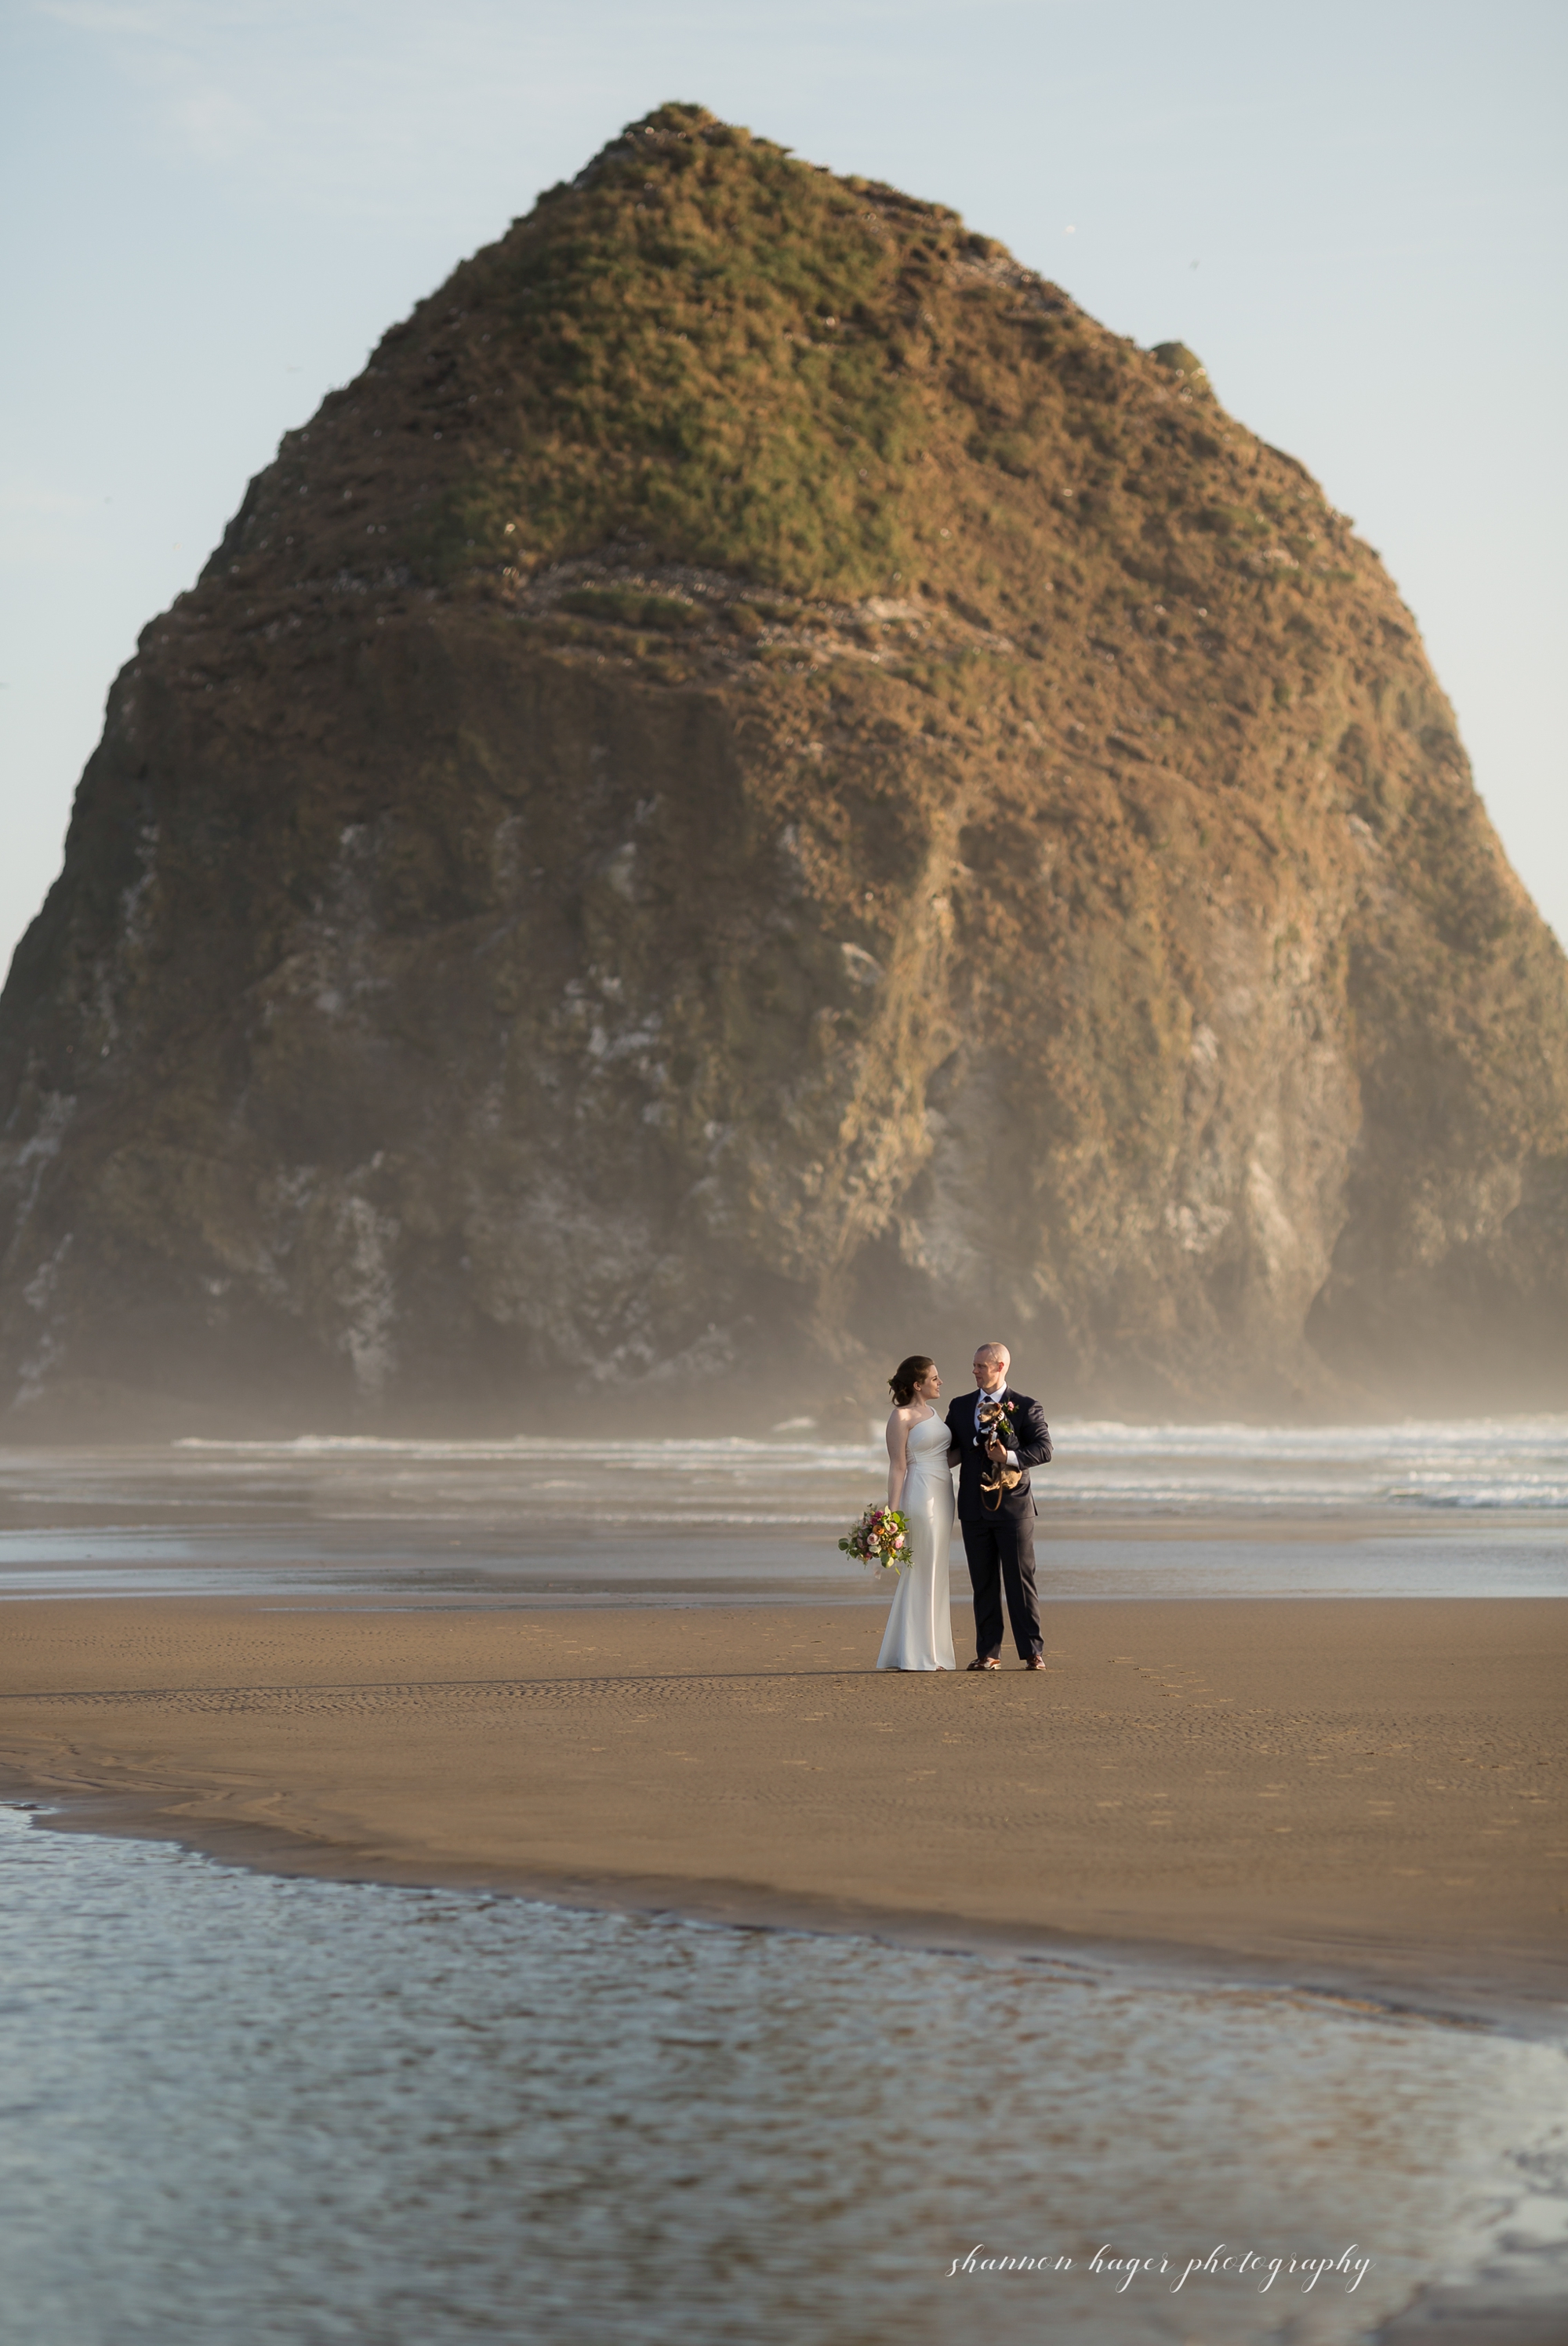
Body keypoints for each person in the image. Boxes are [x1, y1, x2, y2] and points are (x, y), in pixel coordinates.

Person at [945, 1342, 1051, 1671]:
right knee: (983, 1583)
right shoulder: (960, 1406)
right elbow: (949, 1448)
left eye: (981, 1366)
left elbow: (1044, 1450)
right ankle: (988, 1654)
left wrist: (1007, 1457)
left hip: (1014, 1509)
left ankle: (1033, 1652)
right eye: (974, 1366)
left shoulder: (1026, 1406)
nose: (974, 1371)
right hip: (974, 1508)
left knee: (1020, 1582)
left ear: (1000, 1367)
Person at [877, 1354, 957, 1671]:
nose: (940, 1382)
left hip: (944, 1492)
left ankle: (927, 1651)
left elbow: (946, 1457)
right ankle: (918, 1654)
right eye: (934, 1378)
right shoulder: (901, 1417)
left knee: (936, 1569)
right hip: (920, 1493)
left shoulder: (935, 1412)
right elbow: (897, 1467)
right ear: (917, 1384)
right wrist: (891, 1517)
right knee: (922, 1568)